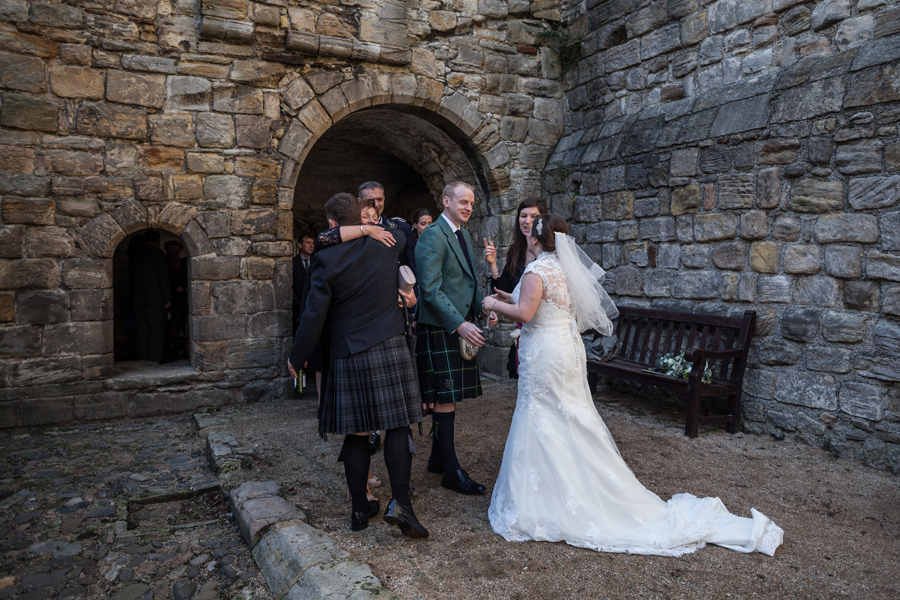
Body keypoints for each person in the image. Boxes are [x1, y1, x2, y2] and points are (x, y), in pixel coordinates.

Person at [483, 215, 784, 557]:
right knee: (567, 417)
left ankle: (542, 502)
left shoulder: (537, 270)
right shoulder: (565, 269)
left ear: (535, 240)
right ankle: (566, 487)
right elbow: (545, 304)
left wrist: (493, 303)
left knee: (543, 417)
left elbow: (525, 312)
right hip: (565, 351)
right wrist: (512, 294)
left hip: (546, 356)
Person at [289, 193, 428, 537]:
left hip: (349, 352)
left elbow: (312, 316)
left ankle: (358, 510)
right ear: (361, 219)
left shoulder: (325, 258)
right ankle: (401, 505)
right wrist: (368, 230)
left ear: (333, 224)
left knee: (357, 432)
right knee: (397, 426)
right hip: (390, 344)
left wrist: (297, 355)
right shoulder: (388, 244)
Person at [415, 181, 498, 495]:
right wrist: (459, 324)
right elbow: (430, 289)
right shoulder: (433, 236)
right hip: (439, 327)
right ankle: (451, 471)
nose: (468, 208)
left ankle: (438, 458)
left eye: (471, 203)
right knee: (445, 398)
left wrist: (481, 308)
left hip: (454, 323)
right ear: (446, 201)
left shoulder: (462, 234)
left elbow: (468, 282)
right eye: (462, 202)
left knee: (446, 399)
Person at [483, 197, 546, 378]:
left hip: (542, 334)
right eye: (523, 216)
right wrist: (493, 264)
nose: (527, 221)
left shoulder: (549, 252)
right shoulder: (515, 251)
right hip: (522, 334)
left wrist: (496, 304)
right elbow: (507, 288)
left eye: (534, 216)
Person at [129, 230, 171, 363]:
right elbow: (163, 278)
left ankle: (142, 362)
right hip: (154, 301)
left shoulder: (134, 255)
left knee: (142, 334)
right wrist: (167, 298)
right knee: (156, 334)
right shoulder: (157, 255)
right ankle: (153, 362)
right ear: (157, 241)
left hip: (137, 300)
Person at [359, 181, 416, 270]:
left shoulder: (403, 229)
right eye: (370, 200)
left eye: (380, 199)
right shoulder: (350, 231)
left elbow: (413, 266)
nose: (376, 204)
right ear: (359, 201)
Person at [162, 240, 188, 363]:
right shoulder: (163, 263)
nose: (174, 253)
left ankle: (179, 355)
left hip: (181, 303)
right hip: (167, 302)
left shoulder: (183, 263)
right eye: (171, 251)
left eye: (176, 251)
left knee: (180, 329)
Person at [292, 235, 315, 335]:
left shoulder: (317, 261)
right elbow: (289, 286)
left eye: (313, 243)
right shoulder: (292, 263)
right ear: (300, 245)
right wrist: (299, 304)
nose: (311, 245)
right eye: (308, 242)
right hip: (298, 309)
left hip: (315, 308)